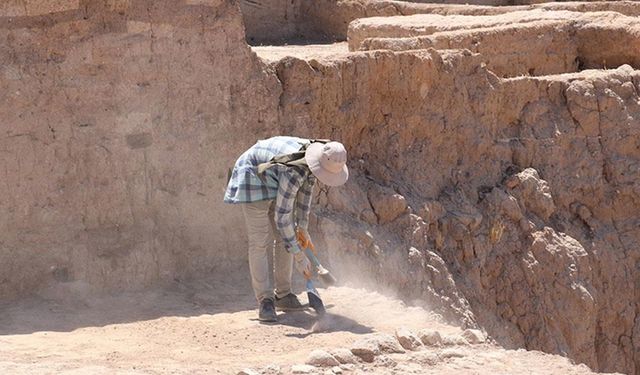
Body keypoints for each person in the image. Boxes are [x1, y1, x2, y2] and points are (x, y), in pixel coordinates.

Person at [224, 136, 349, 322]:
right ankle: (265, 301)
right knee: (259, 242)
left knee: (287, 238)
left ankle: (283, 295)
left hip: (274, 176)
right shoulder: (295, 171)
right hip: (252, 175)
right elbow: (282, 219)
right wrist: (299, 257)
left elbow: (305, 195)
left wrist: (303, 229)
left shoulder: (316, 161)